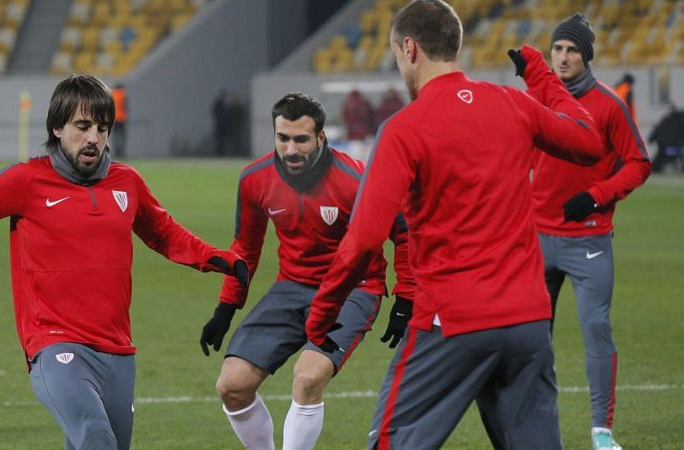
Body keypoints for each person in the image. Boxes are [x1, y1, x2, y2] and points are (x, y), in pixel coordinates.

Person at [0, 74, 249, 450]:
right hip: (54, 344)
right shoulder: (25, 181)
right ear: (57, 127)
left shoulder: (127, 182)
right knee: (95, 435)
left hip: (117, 350)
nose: (93, 138)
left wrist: (220, 260)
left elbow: (166, 235)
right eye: (82, 126)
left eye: (102, 128)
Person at [304, 1, 605, 449]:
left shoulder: (404, 128)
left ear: (410, 49)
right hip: (527, 322)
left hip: (451, 323)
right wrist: (542, 77)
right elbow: (589, 140)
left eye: (396, 56)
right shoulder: (512, 102)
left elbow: (365, 238)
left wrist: (321, 315)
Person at [199, 92, 415, 450]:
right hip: (292, 286)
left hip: (352, 289)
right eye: (282, 138)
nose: (291, 149)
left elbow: (404, 232)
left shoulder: (356, 180)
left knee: (308, 377)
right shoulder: (255, 179)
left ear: (321, 137)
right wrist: (226, 308)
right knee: (232, 386)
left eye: (301, 139)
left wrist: (405, 297)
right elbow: (245, 249)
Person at [534, 13, 651, 450]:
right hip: (535, 238)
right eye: (557, 49)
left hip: (589, 239)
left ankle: (601, 432)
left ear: (586, 56)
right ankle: (535, 426)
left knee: (597, 330)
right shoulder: (536, 99)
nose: (563, 57)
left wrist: (597, 196)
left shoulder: (609, 105)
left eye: (571, 50)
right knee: (531, 340)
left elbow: (639, 163)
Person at [649, 103, 684, 173]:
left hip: (665, 148)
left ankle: (654, 169)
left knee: (660, 158)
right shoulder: (680, 119)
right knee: (662, 157)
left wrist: (651, 140)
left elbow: (656, 132)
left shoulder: (665, 121)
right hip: (673, 148)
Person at [110, 82, 128, 158]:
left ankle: (115, 152)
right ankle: (121, 152)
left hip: (113, 118)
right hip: (122, 118)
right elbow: (125, 106)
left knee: (114, 136)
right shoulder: (123, 94)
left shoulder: (112, 94)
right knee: (122, 137)